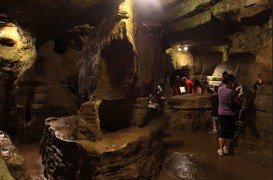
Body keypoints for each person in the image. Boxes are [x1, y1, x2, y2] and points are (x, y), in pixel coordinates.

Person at [217, 74, 240, 156]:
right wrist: (239, 95)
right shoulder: (232, 91)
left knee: (222, 131)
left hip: (221, 112)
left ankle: (220, 150)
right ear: (230, 81)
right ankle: (226, 148)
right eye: (232, 81)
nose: (233, 82)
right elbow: (236, 102)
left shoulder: (219, 89)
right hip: (231, 113)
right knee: (230, 131)